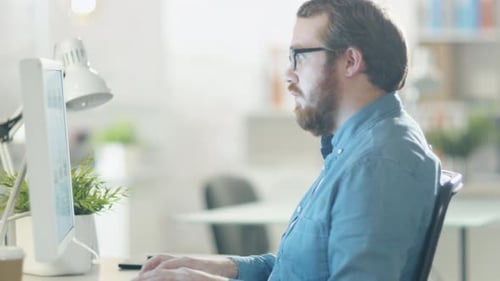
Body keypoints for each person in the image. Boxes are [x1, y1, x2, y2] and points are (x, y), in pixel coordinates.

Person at [132, 0, 441, 280]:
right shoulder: (360, 147)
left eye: (299, 56)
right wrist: (220, 268)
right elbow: (303, 269)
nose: (289, 74)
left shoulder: (377, 163)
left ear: (350, 61)